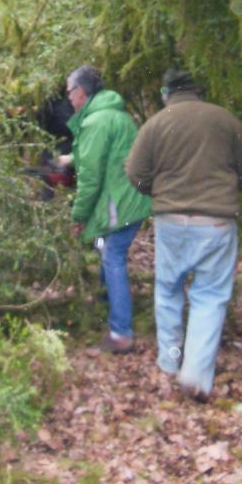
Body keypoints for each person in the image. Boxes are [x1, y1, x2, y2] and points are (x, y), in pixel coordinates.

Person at [125, 68, 242, 400]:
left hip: (170, 220)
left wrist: (158, 194)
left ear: (166, 94)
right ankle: (196, 376)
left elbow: (134, 172)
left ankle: (169, 363)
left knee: (168, 289)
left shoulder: (156, 124)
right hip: (216, 221)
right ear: (197, 91)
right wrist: (225, 193)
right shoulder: (225, 121)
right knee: (209, 297)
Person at [61, 65, 152, 353]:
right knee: (106, 250)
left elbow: (91, 177)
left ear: (81, 92)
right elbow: (102, 155)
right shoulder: (115, 115)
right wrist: (68, 160)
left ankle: (121, 333)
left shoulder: (96, 122)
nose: (68, 99)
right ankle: (104, 303)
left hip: (119, 201)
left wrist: (78, 217)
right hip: (132, 198)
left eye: (69, 93)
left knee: (112, 255)